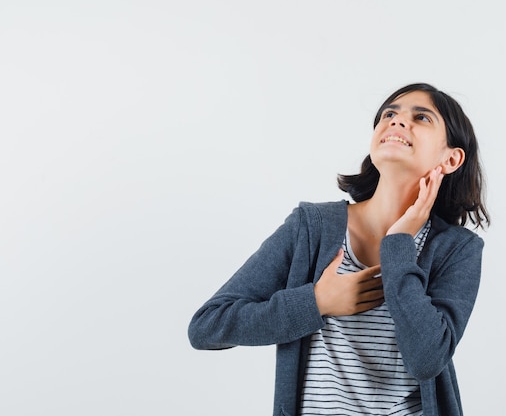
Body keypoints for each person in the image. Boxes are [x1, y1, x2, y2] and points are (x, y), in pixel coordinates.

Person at [188, 82, 490, 416]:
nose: (397, 121)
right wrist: (317, 302)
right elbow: (207, 326)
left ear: (452, 158)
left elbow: (427, 358)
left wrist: (399, 244)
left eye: (422, 117)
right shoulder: (312, 227)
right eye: (389, 113)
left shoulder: (457, 249)